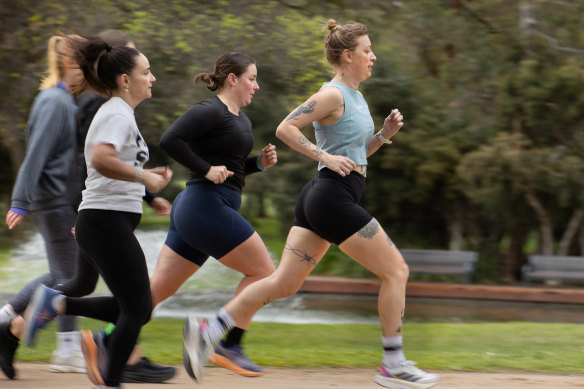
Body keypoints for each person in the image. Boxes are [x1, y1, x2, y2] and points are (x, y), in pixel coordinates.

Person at [183, 20, 440, 389]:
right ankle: (393, 364)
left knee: (284, 283)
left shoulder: (355, 96)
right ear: (348, 56)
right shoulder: (332, 94)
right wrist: (325, 157)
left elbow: (354, 156)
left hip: (326, 197)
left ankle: (208, 330)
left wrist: (383, 135)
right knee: (396, 272)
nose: (374, 56)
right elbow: (287, 127)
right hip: (331, 196)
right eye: (367, 50)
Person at [0, 30, 175, 384]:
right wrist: (143, 179)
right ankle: (109, 368)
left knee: (105, 293)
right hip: (98, 217)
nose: (152, 77)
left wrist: (147, 185)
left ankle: (57, 309)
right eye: (147, 71)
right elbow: (98, 158)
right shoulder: (112, 112)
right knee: (137, 306)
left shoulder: (119, 111)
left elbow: (108, 162)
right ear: (125, 79)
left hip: (100, 216)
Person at [150, 51, 277, 379]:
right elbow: (170, 139)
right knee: (264, 273)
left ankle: (108, 341)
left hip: (197, 209)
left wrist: (257, 164)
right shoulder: (211, 111)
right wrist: (205, 169)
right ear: (233, 79)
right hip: (203, 206)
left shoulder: (240, 119)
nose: (257, 86)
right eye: (252, 78)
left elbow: (231, 171)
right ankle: (227, 343)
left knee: (156, 291)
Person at [0, 33, 87, 378]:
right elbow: (36, 153)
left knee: (64, 275)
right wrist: (20, 201)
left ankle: (8, 322)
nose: (90, 70)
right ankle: (64, 347)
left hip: (60, 200)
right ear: (68, 63)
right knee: (74, 276)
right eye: (85, 63)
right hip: (53, 202)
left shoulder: (62, 100)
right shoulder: (54, 101)